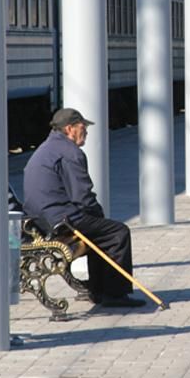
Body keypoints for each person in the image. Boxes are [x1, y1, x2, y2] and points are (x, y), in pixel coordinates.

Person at [23, 108, 145, 307]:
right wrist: (100, 217)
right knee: (117, 232)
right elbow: (82, 197)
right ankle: (114, 294)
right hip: (59, 219)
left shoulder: (47, 148)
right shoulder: (70, 153)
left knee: (99, 231)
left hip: (41, 219)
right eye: (83, 127)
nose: (86, 131)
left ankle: (99, 290)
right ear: (70, 129)